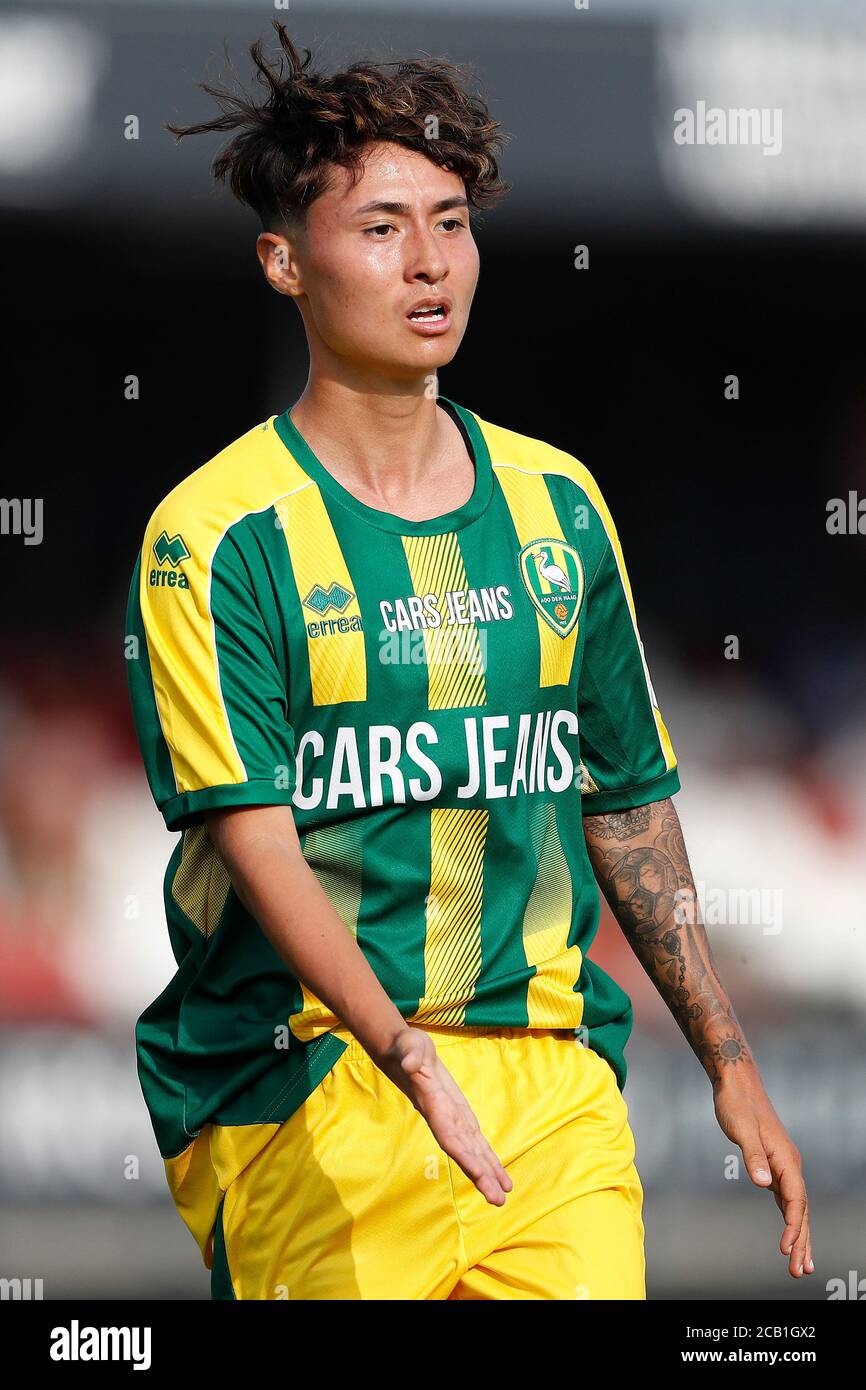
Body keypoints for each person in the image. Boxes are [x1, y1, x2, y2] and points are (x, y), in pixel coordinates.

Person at [125, 21, 812, 1300]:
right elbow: (252, 834)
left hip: (549, 1086)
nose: (429, 263)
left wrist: (725, 1057)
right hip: (312, 1074)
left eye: (450, 221)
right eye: (381, 227)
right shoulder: (217, 535)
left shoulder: (559, 505)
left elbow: (626, 798)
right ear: (284, 262)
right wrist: (402, 1050)